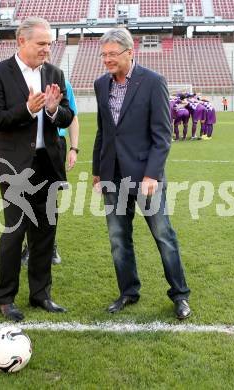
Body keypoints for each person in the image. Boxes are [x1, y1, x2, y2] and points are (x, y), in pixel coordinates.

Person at [92, 28, 191, 320]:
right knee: (119, 239)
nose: (107, 59)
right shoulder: (101, 85)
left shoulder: (154, 82)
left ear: (129, 52)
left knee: (164, 236)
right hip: (113, 176)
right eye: (104, 55)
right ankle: (128, 291)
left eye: (112, 54)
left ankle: (180, 295)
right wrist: (97, 170)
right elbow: (103, 131)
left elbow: (163, 136)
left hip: (146, 177)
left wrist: (152, 175)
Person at [0, 17, 74, 321]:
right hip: (14, 167)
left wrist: (52, 110)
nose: (47, 49)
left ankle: (41, 295)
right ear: (21, 41)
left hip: (47, 165)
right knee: (14, 232)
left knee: (45, 233)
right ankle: (5, 299)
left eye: (49, 43)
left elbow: (67, 115)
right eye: (41, 43)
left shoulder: (55, 73)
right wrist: (27, 110)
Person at [21, 79, 79, 266]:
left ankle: (50, 245)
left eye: (47, 47)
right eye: (41, 47)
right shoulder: (22, 78)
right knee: (26, 197)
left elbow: (73, 116)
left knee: (49, 199)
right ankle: (30, 246)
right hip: (27, 145)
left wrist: (74, 148)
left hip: (54, 146)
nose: (45, 51)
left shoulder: (62, 82)